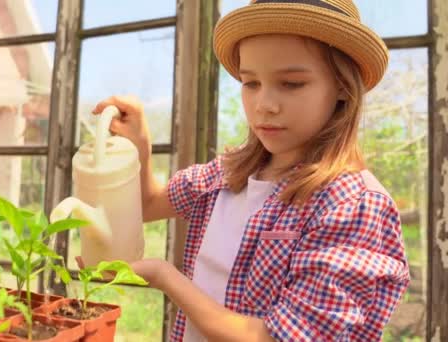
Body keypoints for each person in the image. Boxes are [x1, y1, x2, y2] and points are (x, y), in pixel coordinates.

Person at [91, 1, 410, 340]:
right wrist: (140, 143)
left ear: (343, 88)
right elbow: (150, 204)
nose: (264, 105)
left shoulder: (350, 204)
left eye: (291, 84)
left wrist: (165, 276)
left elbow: (274, 337)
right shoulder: (227, 173)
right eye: (251, 83)